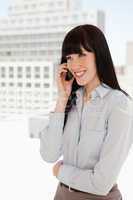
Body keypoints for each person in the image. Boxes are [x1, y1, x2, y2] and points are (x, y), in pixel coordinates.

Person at [39, 24, 133, 200]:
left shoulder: (119, 105)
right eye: (70, 57)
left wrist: (61, 171)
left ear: (99, 54)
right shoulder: (71, 100)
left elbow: (101, 183)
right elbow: (49, 154)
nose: (74, 64)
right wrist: (62, 98)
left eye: (82, 55)